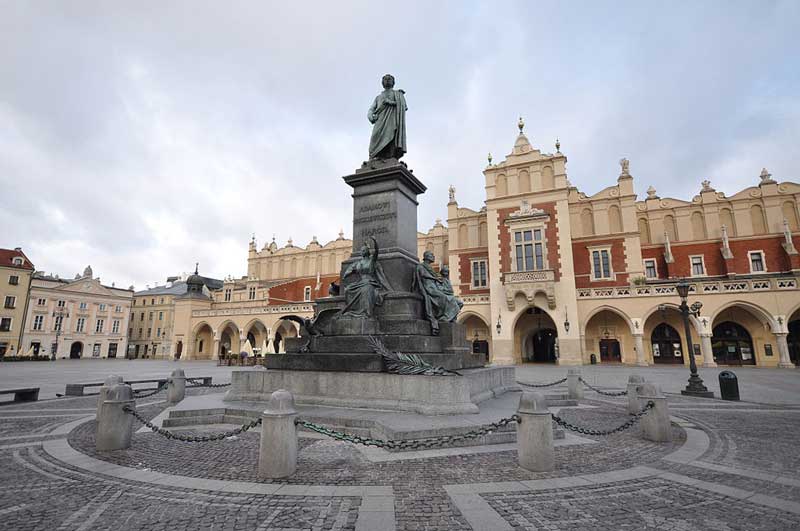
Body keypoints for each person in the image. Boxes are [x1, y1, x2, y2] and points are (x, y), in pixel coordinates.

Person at [340, 237, 392, 318]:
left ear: (367, 251)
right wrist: (345, 275)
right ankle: (353, 310)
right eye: (361, 250)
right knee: (348, 289)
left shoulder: (372, 261)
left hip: (370, 281)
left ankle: (365, 312)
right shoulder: (358, 263)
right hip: (361, 282)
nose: (362, 252)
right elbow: (350, 270)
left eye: (363, 250)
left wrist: (375, 241)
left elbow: (376, 252)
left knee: (366, 289)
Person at [413, 252, 463, 334]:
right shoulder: (421, 266)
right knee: (444, 298)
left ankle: (447, 318)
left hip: (435, 287)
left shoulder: (430, 268)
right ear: (426, 257)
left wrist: (437, 280)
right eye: (432, 255)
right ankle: (445, 317)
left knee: (457, 301)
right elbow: (423, 274)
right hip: (429, 288)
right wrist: (435, 278)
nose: (433, 257)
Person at [368, 74, 407, 160]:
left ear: (393, 82)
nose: (387, 80)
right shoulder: (378, 97)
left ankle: (390, 156)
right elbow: (371, 109)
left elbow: (404, 107)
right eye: (385, 79)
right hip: (380, 120)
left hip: (392, 120)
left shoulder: (398, 94)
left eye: (389, 79)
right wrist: (370, 116)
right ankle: (375, 155)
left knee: (391, 136)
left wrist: (393, 102)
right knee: (375, 137)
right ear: (382, 83)